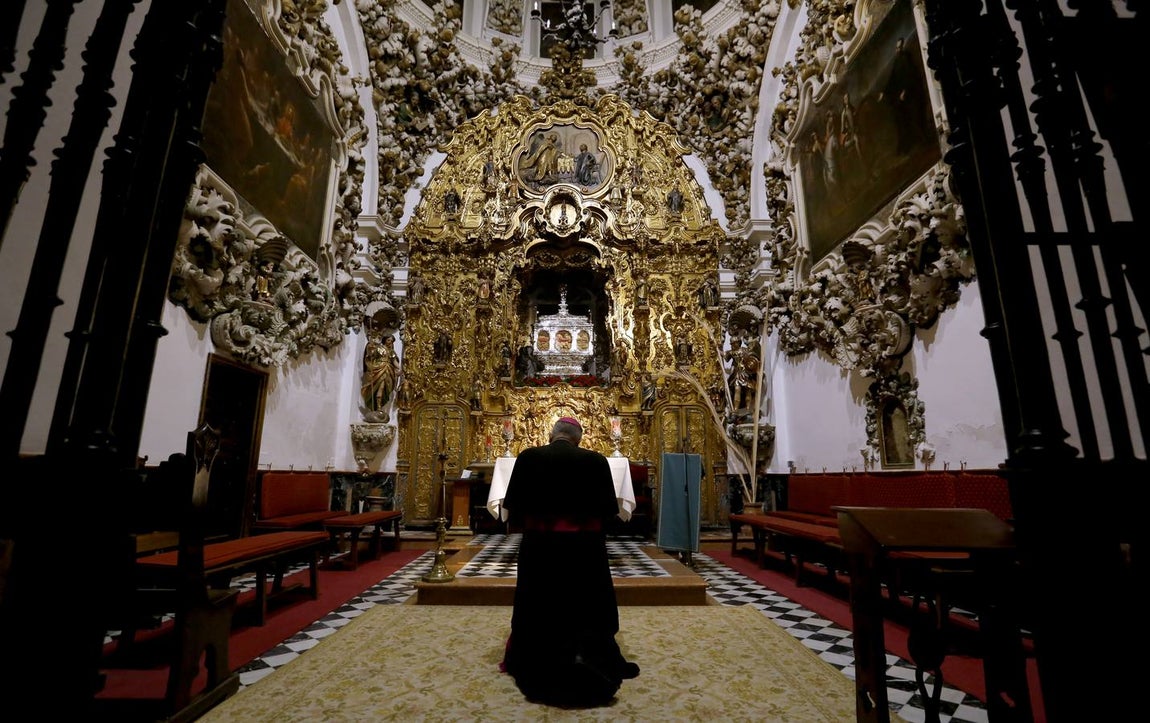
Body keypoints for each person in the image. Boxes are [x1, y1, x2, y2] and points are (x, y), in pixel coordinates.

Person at [501, 417, 640, 706]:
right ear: (579, 438)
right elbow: (608, 515)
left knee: (539, 600)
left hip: (541, 549)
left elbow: (513, 510)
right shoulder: (596, 461)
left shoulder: (528, 458)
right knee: (587, 601)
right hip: (584, 551)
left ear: (552, 435)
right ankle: (590, 653)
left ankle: (537, 656)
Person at [361, 333, 399, 422]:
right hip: (379, 368)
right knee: (378, 386)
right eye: (389, 340)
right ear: (385, 340)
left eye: (392, 341)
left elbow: (394, 362)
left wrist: (399, 368)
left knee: (385, 388)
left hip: (388, 369)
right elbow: (371, 356)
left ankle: (379, 406)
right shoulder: (379, 348)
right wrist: (370, 348)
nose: (390, 342)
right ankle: (377, 407)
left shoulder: (391, 351)